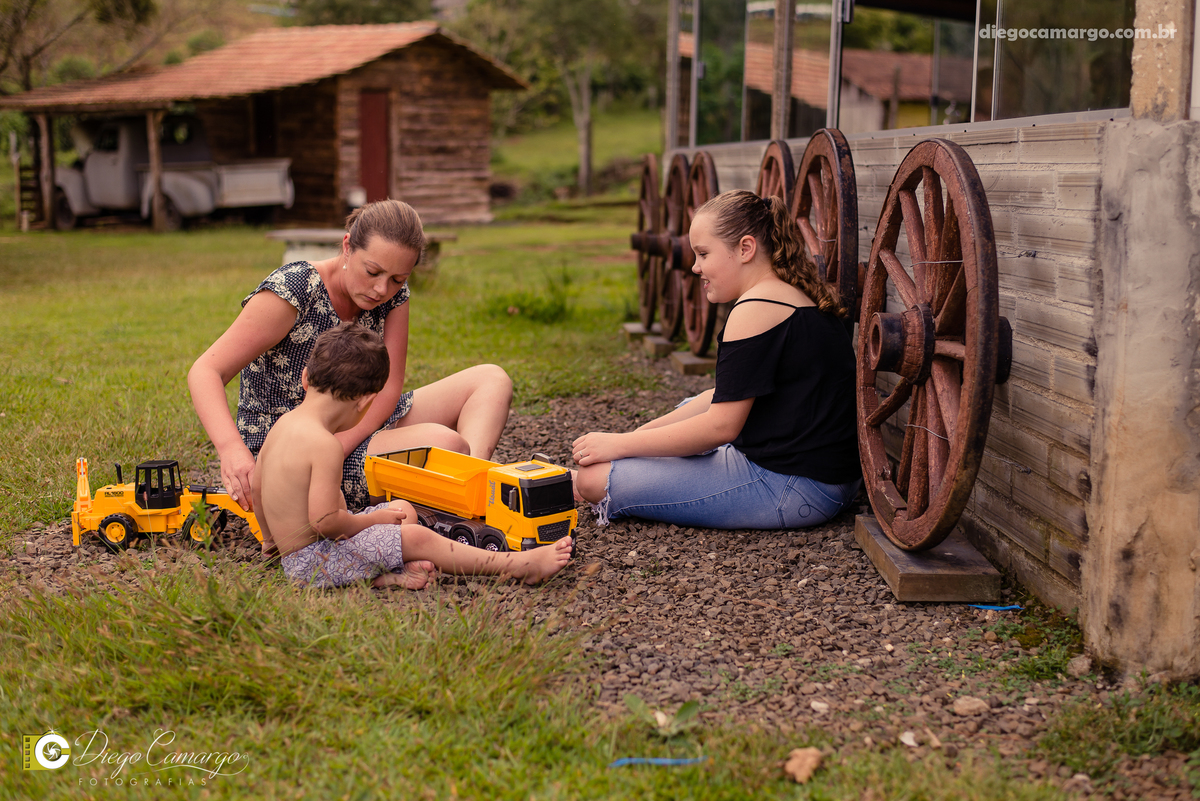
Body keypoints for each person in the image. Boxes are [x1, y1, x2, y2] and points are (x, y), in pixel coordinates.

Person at [189, 199, 512, 514]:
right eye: (372, 271)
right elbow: (206, 371)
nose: (382, 289)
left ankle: (473, 491)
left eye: (398, 279)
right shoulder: (295, 290)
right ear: (347, 247)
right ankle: (468, 495)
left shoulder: (393, 297)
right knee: (446, 444)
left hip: (356, 426)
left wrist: (345, 441)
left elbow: (389, 386)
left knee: (491, 380)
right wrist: (231, 450)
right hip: (295, 452)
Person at [572, 189, 861, 530]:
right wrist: (633, 439)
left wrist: (621, 445)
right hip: (828, 480)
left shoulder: (755, 308)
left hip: (792, 487)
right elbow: (723, 396)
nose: (695, 267)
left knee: (592, 481)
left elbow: (721, 427)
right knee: (693, 407)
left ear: (745, 248)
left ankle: (573, 483)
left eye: (704, 253)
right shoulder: (789, 293)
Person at [252, 322, 573, 589]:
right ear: (365, 402)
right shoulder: (325, 445)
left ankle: (389, 576)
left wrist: (270, 541)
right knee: (417, 536)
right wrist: (374, 519)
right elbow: (326, 522)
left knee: (403, 510)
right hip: (316, 564)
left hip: (300, 557)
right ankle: (517, 565)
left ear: (306, 377)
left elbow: (257, 483)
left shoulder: (283, 425)